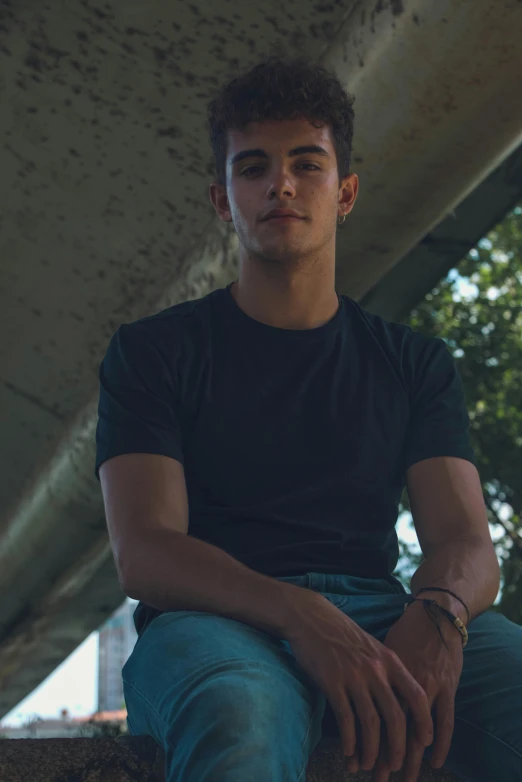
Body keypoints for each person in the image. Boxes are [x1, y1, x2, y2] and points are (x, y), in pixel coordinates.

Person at [94, 56, 521, 782]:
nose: (280, 184)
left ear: (346, 192)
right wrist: (302, 614)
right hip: (213, 624)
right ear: (224, 201)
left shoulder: (412, 362)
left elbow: (466, 543)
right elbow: (147, 551)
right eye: (253, 167)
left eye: (307, 164)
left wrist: (440, 615)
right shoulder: (152, 352)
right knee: (240, 722)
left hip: (384, 615)